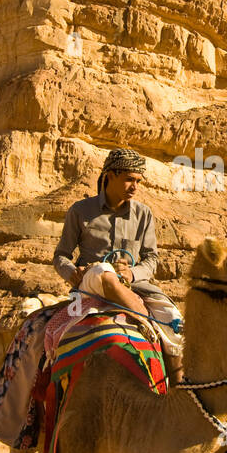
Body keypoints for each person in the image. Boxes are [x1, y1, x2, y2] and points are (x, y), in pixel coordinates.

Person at [52, 147, 184, 374]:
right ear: (110, 176)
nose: (135, 187)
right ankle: (144, 322)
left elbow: (151, 258)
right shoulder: (80, 211)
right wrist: (71, 271)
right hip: (93, 282)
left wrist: (132, 274)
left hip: (134, 284)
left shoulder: (143, 214)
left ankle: (178, 388)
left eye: (138, 181)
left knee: (175, 322)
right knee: (104, 270)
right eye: (129, 179)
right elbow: (61, 255)